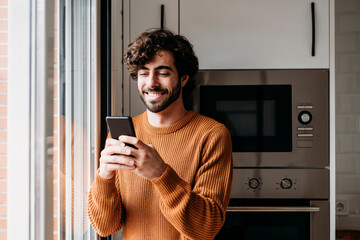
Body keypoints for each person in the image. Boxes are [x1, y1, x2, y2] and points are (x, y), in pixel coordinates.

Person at [87, 29, 233, 240]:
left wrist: (161, 174)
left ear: (183, 79)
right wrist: (104, 177)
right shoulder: (124, 134)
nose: (152, 82)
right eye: (144, 73)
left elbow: (204, 229)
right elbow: (105, 227)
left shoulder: (212, 135)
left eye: (163, 73)